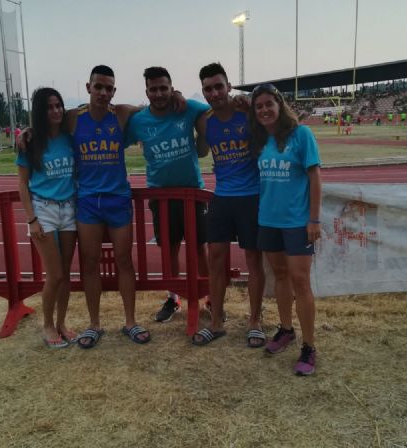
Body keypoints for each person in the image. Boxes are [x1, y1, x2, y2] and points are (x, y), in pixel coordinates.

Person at [68, 65, 150, 347]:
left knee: (124, 260)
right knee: (89, 263)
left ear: (114, 91)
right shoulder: (72, 118)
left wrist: (175, 97)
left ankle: (130, 321)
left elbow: (151, 107)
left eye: (109, 88)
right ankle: (94, 324)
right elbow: (45, 127)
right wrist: (27, 131)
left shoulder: (122, 114)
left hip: (117, 199)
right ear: (88, 87)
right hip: (88, 201)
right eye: (98, 87)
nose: (103, 92)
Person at [125, 66, 210, 323]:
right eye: (154, 89)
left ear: (172, 88)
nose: (159, 93)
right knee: (169, 250)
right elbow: (114, 132)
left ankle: (209, 299)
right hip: (161, 195)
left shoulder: (189, 107)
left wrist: (182, 97)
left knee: (199, 249)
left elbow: (213, 110)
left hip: (192, 192)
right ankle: (173, 299)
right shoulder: (139, 120)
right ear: (147, 92)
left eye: (164, 88)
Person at [249, 84, 322, 376]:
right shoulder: (260, 140)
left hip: (296, 222)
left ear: (280, 104)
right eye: (258, 106)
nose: (265, 110)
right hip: (268, 220)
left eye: (269, 104)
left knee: (300, 282)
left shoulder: (301, 135)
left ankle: (309, 346)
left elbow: (315, 178)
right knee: (279, 276)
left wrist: (314, 220)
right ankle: (286, 329)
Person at [191, 62, 265, 347]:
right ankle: (217, 322)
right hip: (222, 196)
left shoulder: (247, 113)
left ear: (229, 86)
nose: (214, 93)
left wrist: (251, 112)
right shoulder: (205, 121)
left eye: (219, 86)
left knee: (253, 261)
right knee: (215, 260)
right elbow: (200, 151)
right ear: (204, 92)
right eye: (208, 89)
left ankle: (255, 321)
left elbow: (270, 137)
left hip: (252, 196)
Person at [16, 87, 77, 348]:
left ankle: (62, 322)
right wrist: (32, 219)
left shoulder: (69, 137)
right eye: (50, 107)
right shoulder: (30, 143)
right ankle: (48, 325)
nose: (56, 111)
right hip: (44, 210)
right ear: (40, 112)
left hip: (70, 209)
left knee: (64, 274)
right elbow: (22, 184)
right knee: (53, 275)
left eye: (59, 105)